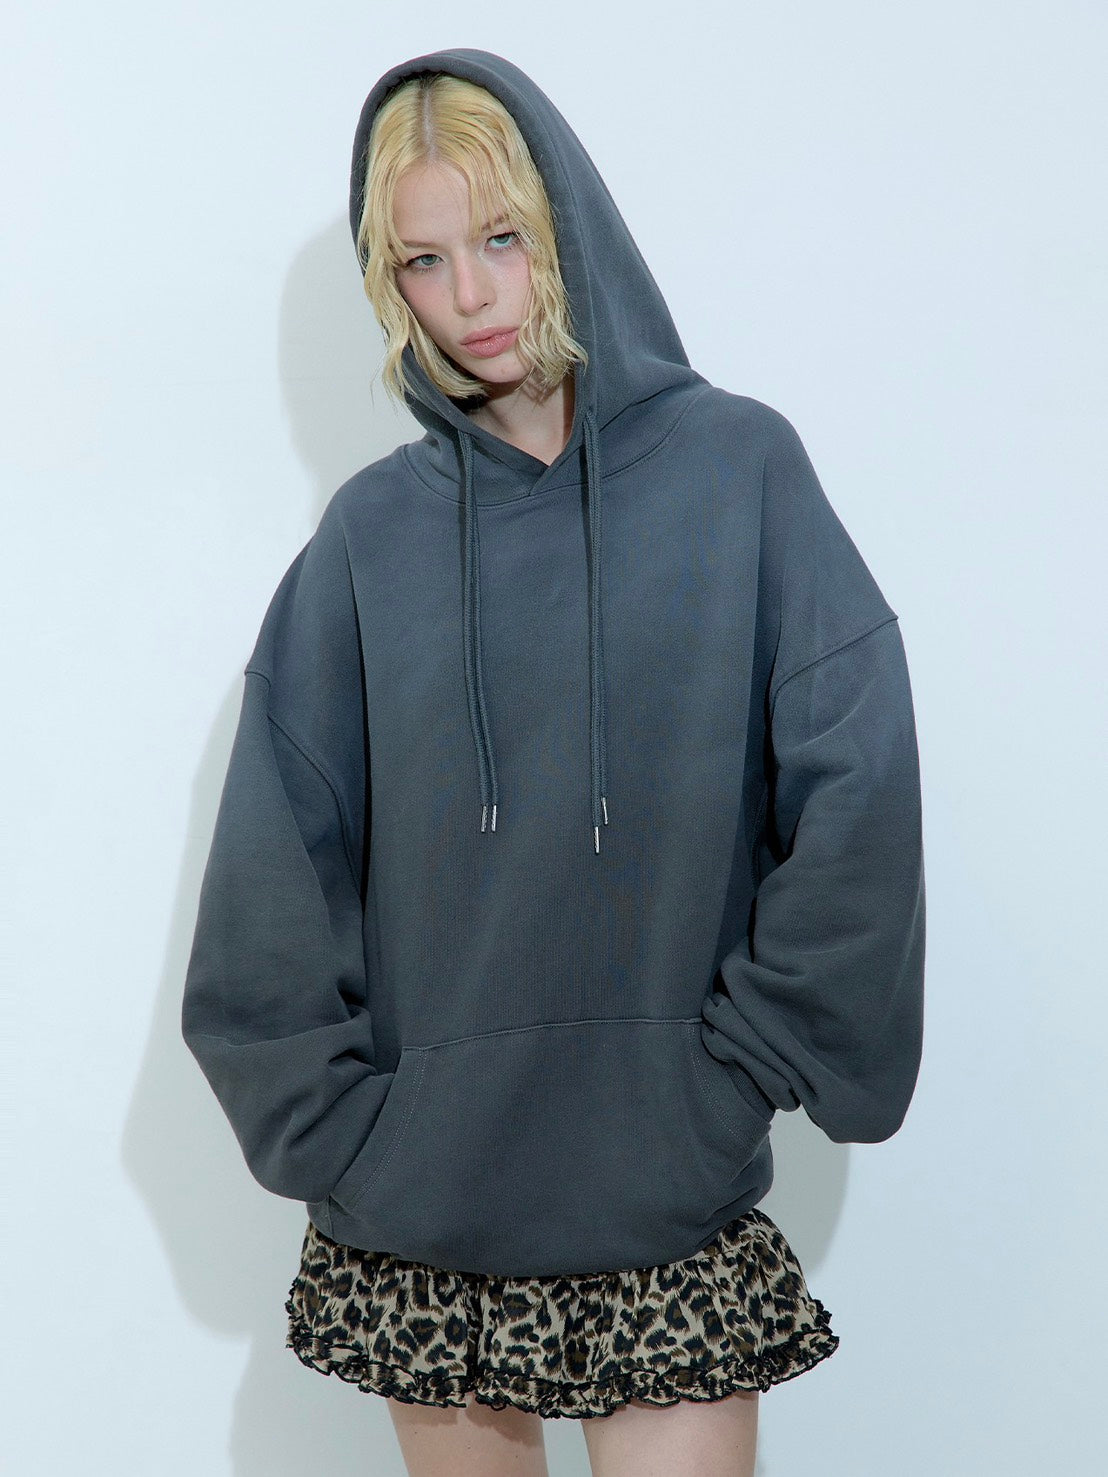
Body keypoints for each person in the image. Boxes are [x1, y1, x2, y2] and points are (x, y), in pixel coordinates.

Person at [181, 46, 926, 1477]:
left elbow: (861, 788)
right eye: (424, 261)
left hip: (666, 1207)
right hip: (423, 1230)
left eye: (503, 239)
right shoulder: (368, 542)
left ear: (567, 224)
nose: (472, 296)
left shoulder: (738, 475)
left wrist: (740, 1074)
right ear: (389, 284)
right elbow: (272, 868)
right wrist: (352, 1140)